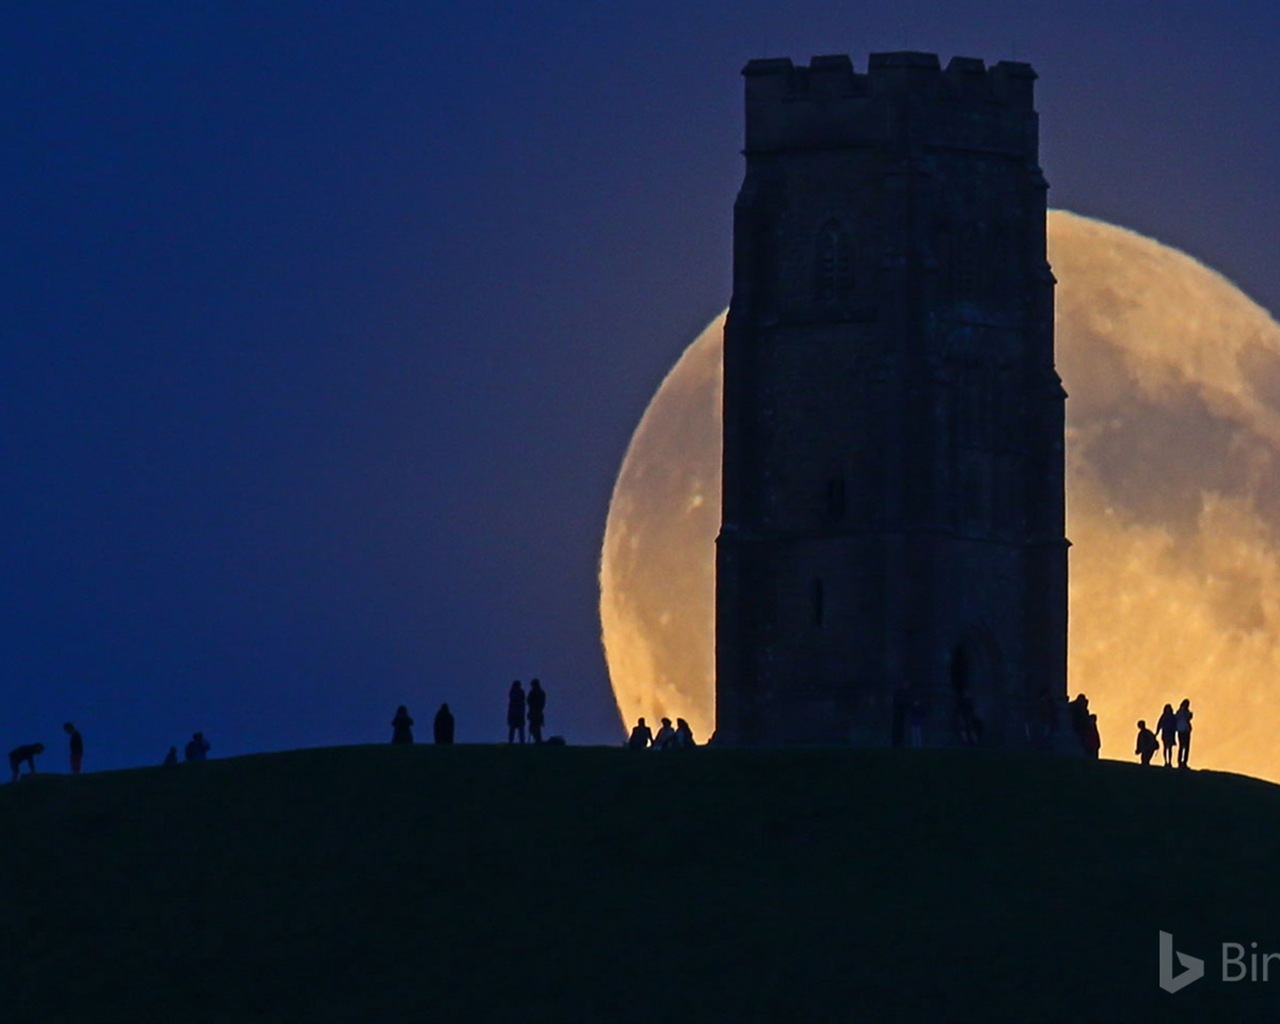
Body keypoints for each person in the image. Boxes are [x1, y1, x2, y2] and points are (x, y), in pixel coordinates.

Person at [527, 678, 547, 744]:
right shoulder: (541, 692)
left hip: (534, 712)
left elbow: (528, 701)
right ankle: (538, 740)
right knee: (536, 727)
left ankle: (538, 740)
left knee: (534, 727)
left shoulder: (533, 692)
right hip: (538, 712)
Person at [1175, 698, 1194, 768]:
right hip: (1182, 731)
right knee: (1182, 747)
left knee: (1185, 747)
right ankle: (1180, 762)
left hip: (1185, 730)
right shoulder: (1181, 712)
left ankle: (1184, 762)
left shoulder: (1182, 712)